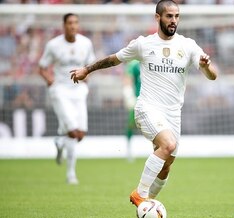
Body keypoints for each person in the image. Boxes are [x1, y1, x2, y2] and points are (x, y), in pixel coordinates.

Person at [70, 0, 217, 206]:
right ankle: (140, 194)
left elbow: (212, 76)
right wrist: (87, 69)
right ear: (158, 18)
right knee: (168, 145)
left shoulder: (188, 45)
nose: (173, 20)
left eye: (176, 16)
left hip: (173, 113)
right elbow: (114, 59)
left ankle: (146, 205)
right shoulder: (143, 44)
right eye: (169, 16)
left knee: (166, 166)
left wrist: (207, 67)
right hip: (147, 108)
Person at [38, 13, 96, 185]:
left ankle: (59, 141)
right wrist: (49, 79)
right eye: (70, 23)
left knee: (80, 134)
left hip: (78, 91)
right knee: (72, 131)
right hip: (60, 91)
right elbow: (42, 67)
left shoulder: (86, 43)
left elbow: (90, 65)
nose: (73, 26)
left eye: (76, 23)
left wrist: (87, 76)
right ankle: (71, 175)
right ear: (64, 25)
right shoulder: (53, 45)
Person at [122, 60, 141, 162]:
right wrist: (129, 95)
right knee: (131, 124)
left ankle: (157, 151)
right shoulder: (134, 64)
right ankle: (128, 150)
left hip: (152, 100)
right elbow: (127, 79)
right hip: (137, 100)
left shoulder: (153, 58)